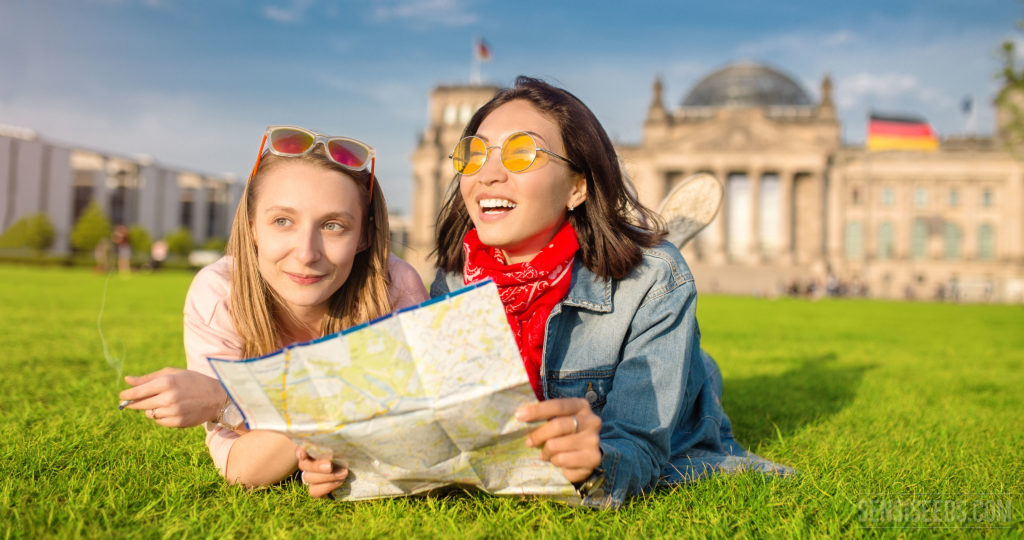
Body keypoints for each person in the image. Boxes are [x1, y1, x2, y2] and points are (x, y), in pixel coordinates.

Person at [419, 76, 789, 509]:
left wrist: (598, 464)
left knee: (696, 370)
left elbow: (640, 444)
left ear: (578, 186)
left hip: (661, 346)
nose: (489, 174)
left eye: (522, 154)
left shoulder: (656, 280)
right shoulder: (454, 281)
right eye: (474, 153)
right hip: (633, 296)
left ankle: (644, 253)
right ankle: (643, 237)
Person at [118, 126, 429, 488]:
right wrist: (335, 422)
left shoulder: (395, 286)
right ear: (252, 227)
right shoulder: (219, 293)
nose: (306, 253)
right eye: (283, 221)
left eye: (333, 226)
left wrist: (223, 399)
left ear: (363, 237)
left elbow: (413, 428)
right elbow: (243, 469)